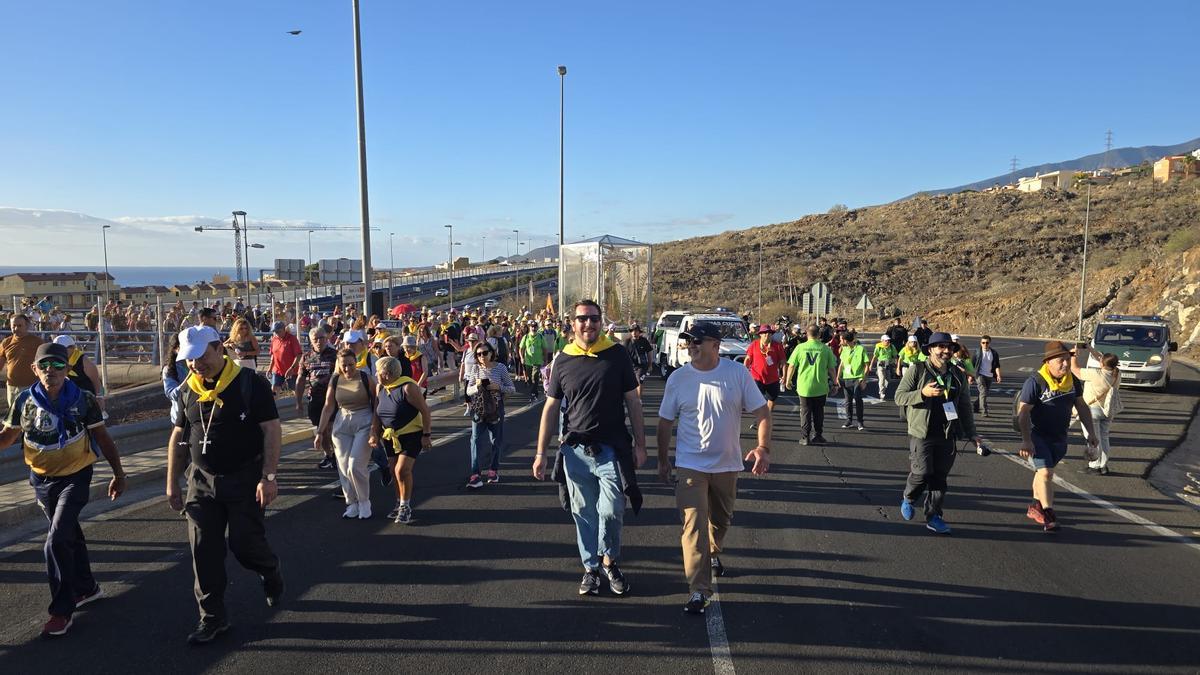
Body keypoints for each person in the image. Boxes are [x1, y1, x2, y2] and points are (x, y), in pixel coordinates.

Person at [165, 326, 283, 645]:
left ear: (219, 348)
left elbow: (271, 429)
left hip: (244, 478)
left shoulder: (249, 383)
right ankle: (213, 617)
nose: (195, 364)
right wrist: (172, 482)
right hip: (201, 483)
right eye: (189, 359)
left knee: (245, 546)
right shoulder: (188, 389)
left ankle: (269, 570)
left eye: (201, 356)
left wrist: (268, 477)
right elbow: (179, 435)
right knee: (204, 551)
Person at [0, 343, 126, 637]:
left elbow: (104, 439)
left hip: (77, 476)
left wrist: (119, 475)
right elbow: (7, 436)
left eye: (57, 366)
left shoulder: (82, 400)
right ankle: (87, 587)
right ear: (34, 369)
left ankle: (61, 610)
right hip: (41, 479)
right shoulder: (24, 400)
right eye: (44, 366)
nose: (50, 371)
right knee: (69, 533)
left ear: (67, 369)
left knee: (55, 540)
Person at [655, 322, 770, 615]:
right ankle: (698, 590)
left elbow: (761, 411)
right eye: (688, 341)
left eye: (697, 340)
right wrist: (662, 460)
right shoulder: (678, 379)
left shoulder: (737, 374)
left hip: (727, 465)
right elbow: (665, 422)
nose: (690, 345)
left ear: (715, 345)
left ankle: (713, 552)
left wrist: (762, 448)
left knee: (720, 521)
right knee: (692, 526)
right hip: (690, 465)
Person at [533, 299, 645, 597]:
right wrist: (541, 452)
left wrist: (641, 445)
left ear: (600, 321)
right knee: (584, 512)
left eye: (594, 318)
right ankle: (592, 568)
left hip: (611, 450)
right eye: (583, 318)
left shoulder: (616, 354)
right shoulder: (563, 360)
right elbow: (551, 407)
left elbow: (633, 401)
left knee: (611, 511)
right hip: (575, 452)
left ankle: (609, 559)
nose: (589, 324)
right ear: (573, 323)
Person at [894, 332, 981, 534]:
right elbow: (899, 397)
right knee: (922, 472)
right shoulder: (917, 370)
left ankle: (934, 516)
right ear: (931, 349)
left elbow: (966, 406)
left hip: (947, 433)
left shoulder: (957, 374)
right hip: (922, 433)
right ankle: (909, 497)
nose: (946, 351)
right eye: (941, 347)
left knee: (940, 478)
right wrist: (922, 394)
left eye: (949, 347)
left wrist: (972, 434)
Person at [1016, 342, 1099, 532]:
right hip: (1038, 435)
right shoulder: (1036, 381)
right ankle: (1048, 513)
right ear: (1049, 362)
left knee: (1043, 473)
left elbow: (1082, 406)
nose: (1066, 364)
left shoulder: (1072, 381)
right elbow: (1023, 413)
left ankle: (1035, 507)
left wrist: (1091, 433)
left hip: (1059, 436)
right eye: (1060, 360)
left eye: (1067, 359)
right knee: (1045, 473)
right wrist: (1026, 440)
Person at [316, 348, 378, 519]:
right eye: (344, 365)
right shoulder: (335, 380)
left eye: (351, 365)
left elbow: (376, 403)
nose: (348, 369)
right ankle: (352, 503)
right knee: (343, 467)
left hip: (364, 420)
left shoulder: (366, 378)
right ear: (339, 364)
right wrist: (320, 432)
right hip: (342, 423)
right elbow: (328, 406)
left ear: (356, 363)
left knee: (355, 465)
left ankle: (364, 501)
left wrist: (374, 428)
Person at [370, 355, 432, 523]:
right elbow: (377, 413)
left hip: (411, 435)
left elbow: (425, 411)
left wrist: (426, 435)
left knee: (402, 470)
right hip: (390, 436)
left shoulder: (408, 387)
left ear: (386, 373)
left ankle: (406, 506)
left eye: (378, 372)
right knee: (393, 471)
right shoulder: (380, 388)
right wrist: (374, 433)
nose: (376, 375)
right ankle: (398, 503)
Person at [464, 340, 516, 488]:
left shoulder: (500, 368)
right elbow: (468, 391)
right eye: (479, 354)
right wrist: (477, 386)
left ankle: (493, 470)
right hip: (479, 409)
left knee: (496, 440)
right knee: (475, 440)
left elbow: (511, 388)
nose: (482, 356)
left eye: (485, 353)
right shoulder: (475, 369)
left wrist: (497, 386)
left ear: (492, 353)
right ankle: (475, 474)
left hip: (496, 408)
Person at [783, 325, 839, 446]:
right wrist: (835, 383)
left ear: (807, 334)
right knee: (819, 412)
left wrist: (787, 380)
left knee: (805, 412)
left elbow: (791, 365)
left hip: (804, 387)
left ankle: (805, 437)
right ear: (819, 335)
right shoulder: (825, 349)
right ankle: (818, 435)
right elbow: (831, 369)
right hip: (820, 386)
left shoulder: (800, 348)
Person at [1073, 349, 1122, 476]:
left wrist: (1073, 355)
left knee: (1093, 437)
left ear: (1101, 364)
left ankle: (1094, 465)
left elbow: (1075, 370)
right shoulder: (1117, 374)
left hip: (1092, 410)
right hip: (1107, 410)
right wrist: (1089, 348)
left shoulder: (1095, 374)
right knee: (1104, 437)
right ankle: (1103, 465)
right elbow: (1103, 358)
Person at [295, 328, 338, 471]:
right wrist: (298, 400)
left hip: (332, 399)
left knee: (330, 429)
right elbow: (301, 379)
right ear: (311, 340)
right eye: (315, 339)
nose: (319, 341)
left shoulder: (335, 355)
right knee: (322, 430)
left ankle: (339, 455)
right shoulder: (307, 357)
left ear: (326, 338)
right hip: (315, 398)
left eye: (321, 338)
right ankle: (329, 455)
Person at [1, 314, 44, 407]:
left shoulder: (37, 342)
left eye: (20, 326)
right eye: (14, 326)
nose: (16, 328)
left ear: (27, 326)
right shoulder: (6, 342)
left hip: (31, 387)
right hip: (12, 386)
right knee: (13, 417)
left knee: (29, 416)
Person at [744, 324, 785, 417]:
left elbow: (783, 362)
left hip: (773, 378)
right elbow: (748, 359)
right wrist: (744, 371)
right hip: (757, 377)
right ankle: (760, 417)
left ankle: (766, 416)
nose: (767, 334)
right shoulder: (754, 344)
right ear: (760, 334)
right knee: (758, 399)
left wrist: (784, 376)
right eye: (765, 333)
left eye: (769, 333)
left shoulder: (777, 346)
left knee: (772, 399)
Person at [833, 331, 869, 431]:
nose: (840, 341)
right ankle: (849, 421)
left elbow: (866, 365)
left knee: (858, 399)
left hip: (858, 378)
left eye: (841, 340)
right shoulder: (844, 349)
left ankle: (860, 422)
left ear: (845, 340)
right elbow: (841, 364)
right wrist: (837, 378)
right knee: (848, 401)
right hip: (846, 378)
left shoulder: (860, 349)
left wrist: (864, 379)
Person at [268, 321, 302, 394]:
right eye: (275, 332)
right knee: (273, 389)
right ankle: (274, 404)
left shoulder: (292, 339)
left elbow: (298, 355)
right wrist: (270, 368)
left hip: (292, 371)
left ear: (284, 329)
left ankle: (298, 404)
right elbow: (273, 355)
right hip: (277, 370)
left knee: (295, 390)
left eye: (279, 331)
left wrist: (292, 368)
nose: (277, 333)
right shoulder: (274, 339)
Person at [623, 325, 654, 399]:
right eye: (632, 331)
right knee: (630, 384)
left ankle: (638, 400)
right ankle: (632, 398)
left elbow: (649, 352)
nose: (634, 332)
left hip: (641, 366)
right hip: (630, 366)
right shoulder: (627, 342)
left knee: (639, 381)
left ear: (639, 332)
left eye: (636, 331)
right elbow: (623, 354)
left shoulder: (644, 341)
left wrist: (650, 365)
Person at [520, 321, 546, 400]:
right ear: (529, 327)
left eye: (535, 326)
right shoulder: (526, 337)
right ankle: (534, 390)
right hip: (528, 361)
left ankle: (533, 393)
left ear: (537, 327)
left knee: (535, 376)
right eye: (532, 326)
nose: (533, 328)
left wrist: (545, 359)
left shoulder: (541, 337)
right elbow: (521, 348)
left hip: (537, 361)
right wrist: (521, 357)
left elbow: (545, 349)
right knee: (529, 378)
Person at [868, 334, 898, 402]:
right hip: (881, 364)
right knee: (882, 379)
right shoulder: (879, 347)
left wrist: (896, 366)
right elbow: (875, 356)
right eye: (886, 340)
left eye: (888, 340)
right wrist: (871, 365)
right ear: (882, 341)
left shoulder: (891, 347)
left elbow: (895, 356)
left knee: (888, 379)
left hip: (888, 364)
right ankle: (881, 393)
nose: (887, 341)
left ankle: (882, 389)